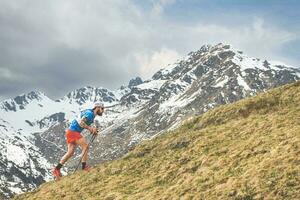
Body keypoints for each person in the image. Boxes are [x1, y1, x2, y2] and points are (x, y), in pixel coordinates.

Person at [52, 102, 105, 179]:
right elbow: (81, 123)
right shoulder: (90, 114)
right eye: (102, 109)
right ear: (98, 107)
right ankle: (84, 167)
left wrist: (92, 130)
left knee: (70, 153)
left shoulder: (90, 113)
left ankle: (56, 169)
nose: (103, 111)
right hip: (74, 131)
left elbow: (84, 123)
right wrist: (91, 129)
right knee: (85, 147)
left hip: (70, 132)